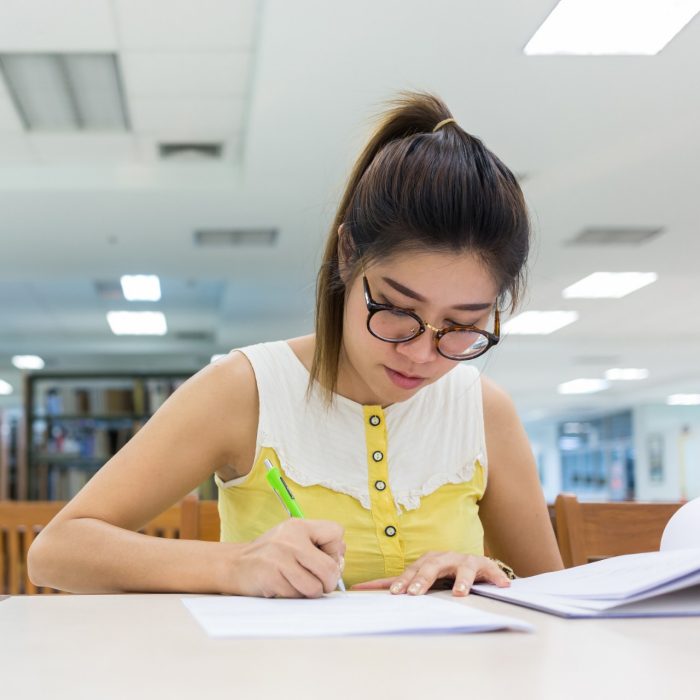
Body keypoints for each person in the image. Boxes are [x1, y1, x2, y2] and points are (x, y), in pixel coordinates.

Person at [28, 92, 563, 598]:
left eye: (461, 326)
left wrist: (488, 574)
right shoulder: (246, 390)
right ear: (348, 254)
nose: (423, 353)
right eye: (399, 312)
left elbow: (557, 597)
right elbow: (56, 552)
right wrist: (233, 565)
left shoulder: (484, 410)